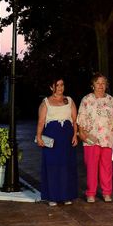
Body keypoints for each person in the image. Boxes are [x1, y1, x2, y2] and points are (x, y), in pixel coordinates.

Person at [36, 76, 78, 206]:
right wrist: (38, 137)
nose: (60, 88)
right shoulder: (45, 103)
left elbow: (75, 120)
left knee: (66, 165)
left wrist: (75, 135)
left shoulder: (69, 100)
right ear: (51, 87)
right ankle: (52, 197)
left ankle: (66, 196)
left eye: (62, 85)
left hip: (67, 136)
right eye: (57, 85)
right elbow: (41, 122)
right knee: (52, 166)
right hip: (52, 136)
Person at [77, 73, 113, 203]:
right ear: (92, 85)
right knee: (91, 166)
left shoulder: (111, 100)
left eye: (103, 83)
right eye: (98, 83)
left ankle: (106, 192)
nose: (100, 85)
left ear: (106, 85)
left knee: (107, 166)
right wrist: (81, 133)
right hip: (91, 137)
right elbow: (81, 117)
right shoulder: (87, 99)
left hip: (107, 138)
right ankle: (91, 193)